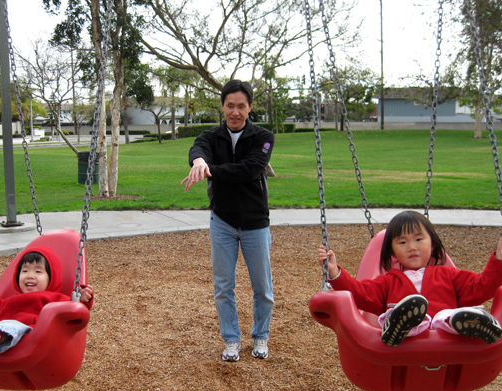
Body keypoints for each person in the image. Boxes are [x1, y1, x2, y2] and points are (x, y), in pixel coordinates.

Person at [181, 79, 275, 362]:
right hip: (222, 221)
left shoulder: (263, 137)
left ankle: (260, 336)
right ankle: (231, 339)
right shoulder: (211, 137)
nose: (235, 112)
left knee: (263, 288)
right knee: (224, 286)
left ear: (250, 107)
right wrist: (199, 162)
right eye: (230, 106)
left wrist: (212, 170)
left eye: (241, 106)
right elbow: (197, 151)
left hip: (255, 222)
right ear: (222, 106)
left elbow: (249, 170)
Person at [318, 210, 502, 346]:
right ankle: (402, 323)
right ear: (393, 252)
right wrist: (334, 272)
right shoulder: (388, 282)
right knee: (399, 313)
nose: (411, 247)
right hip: (405, 345)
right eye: (402, 242)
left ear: (433, 245)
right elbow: (360, 294)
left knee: (448, 316)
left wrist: (499, 258)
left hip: (445, 340)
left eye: (419, 240)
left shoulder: (449, 275)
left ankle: (471, 322)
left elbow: (482, 287)